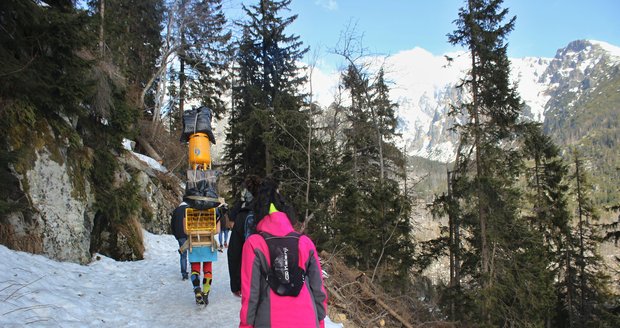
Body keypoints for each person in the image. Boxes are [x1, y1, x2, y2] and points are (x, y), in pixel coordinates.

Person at [239, 178, 327, 328]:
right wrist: (320, 320)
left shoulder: (254, 244)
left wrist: (246, 325)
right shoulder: (305, 242)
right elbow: (318, 289)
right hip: (308, 319)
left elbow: (250, 295)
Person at [227, 175, 262, 296]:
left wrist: (236, 285)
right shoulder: (269, 214)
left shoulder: (242, 216)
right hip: (270, 280)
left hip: (249, 278)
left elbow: (234, 253)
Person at [170, 201, 189, 280]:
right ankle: (195, 271)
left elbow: (172, 224)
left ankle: (184, 274)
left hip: (180, 235)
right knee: (191, 252)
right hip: (189, 234)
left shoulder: (176, 211)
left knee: (183, 255)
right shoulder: (189, 209)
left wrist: (176, 235)